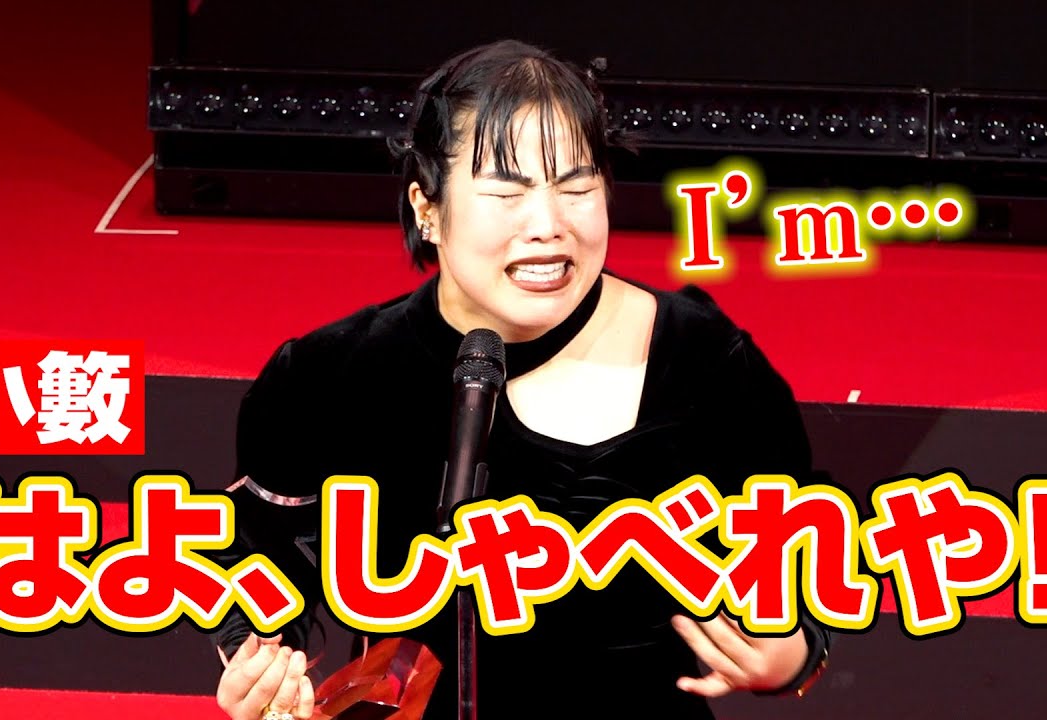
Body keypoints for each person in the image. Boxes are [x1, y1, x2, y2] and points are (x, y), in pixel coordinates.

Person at [211, 39, 831, 720]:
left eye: (577, 187)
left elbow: (800, 548)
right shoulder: (326, 376)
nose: (548, 226)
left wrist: (794, 655)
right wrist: (264, 677)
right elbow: (257, 567)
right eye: (506, 193)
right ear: (427, 208)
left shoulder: (702, 358)